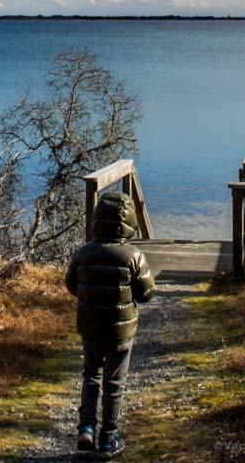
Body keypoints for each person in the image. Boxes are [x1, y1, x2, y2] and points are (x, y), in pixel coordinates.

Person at [64, 191, 155, 459]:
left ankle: (86, 427)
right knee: (114, 382)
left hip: (90, 329)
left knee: (90, 375)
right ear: (129, 222)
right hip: (120, 333)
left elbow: (71, 285)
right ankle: (108, 438)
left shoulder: (83, 253)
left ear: (97, 219)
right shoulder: (134, 255)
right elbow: (147, 293)